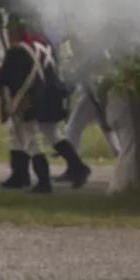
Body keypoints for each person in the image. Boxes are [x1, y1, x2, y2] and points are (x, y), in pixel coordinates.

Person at [0, 23, 51, 193]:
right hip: (31, 100)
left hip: (24, 102)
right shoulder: (29, 49)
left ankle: (44, 181)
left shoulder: (16, 52)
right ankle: (19, 176)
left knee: (32, 142)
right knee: (16, 138)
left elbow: (6, 77)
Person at [33, 32, 91, 188]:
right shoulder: (43, 43)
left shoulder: (36, 46)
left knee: (47, 135)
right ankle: (77, 168)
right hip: (48, 95)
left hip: (45, 96)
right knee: (52, 135)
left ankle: (77, 168)